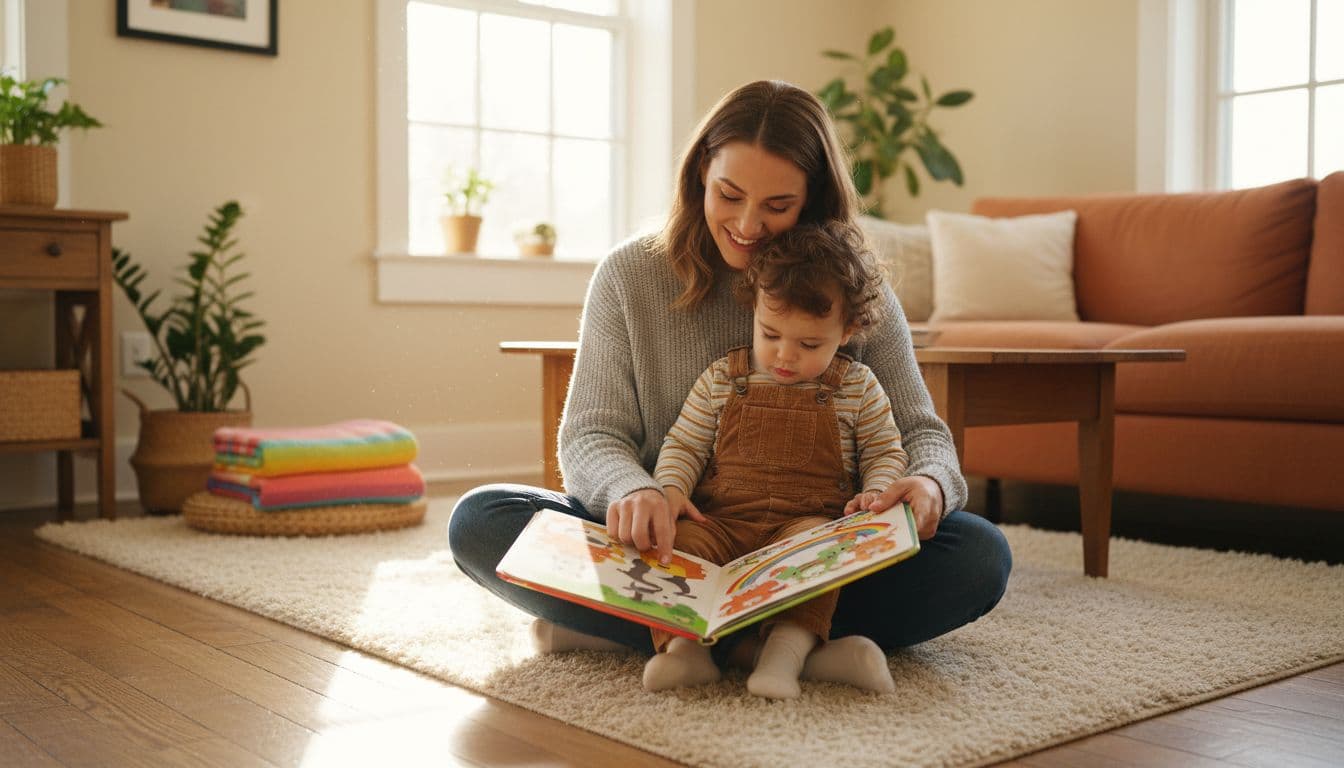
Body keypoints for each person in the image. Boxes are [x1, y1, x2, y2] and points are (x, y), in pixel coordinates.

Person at [448, 79, 1011, 676]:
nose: (747, 225)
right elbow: (591, 435)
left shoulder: (851, 288)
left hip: (807, 548)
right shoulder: (628, 276)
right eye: (729, 194)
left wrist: (927, 487)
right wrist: (632, 492)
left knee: (979, 555)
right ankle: (775, 647)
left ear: (813, 200)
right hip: (669, 544)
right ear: (699, 178)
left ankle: (679, 636)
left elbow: (924, 434)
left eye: (777, 206)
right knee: (483, 521)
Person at [644, 220, 906, 699]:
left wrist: (878, 488)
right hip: (721, 523)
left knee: (821, 553)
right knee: (674, 545)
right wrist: (671, 490)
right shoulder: (724, 377)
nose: (785, 356)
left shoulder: (858, 388)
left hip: (803, 525)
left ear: (847, 331)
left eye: (810, 345)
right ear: (754, 309)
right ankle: (686, 653)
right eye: (770, 334)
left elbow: (886, 451)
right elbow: (683, 445)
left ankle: (782, 658)